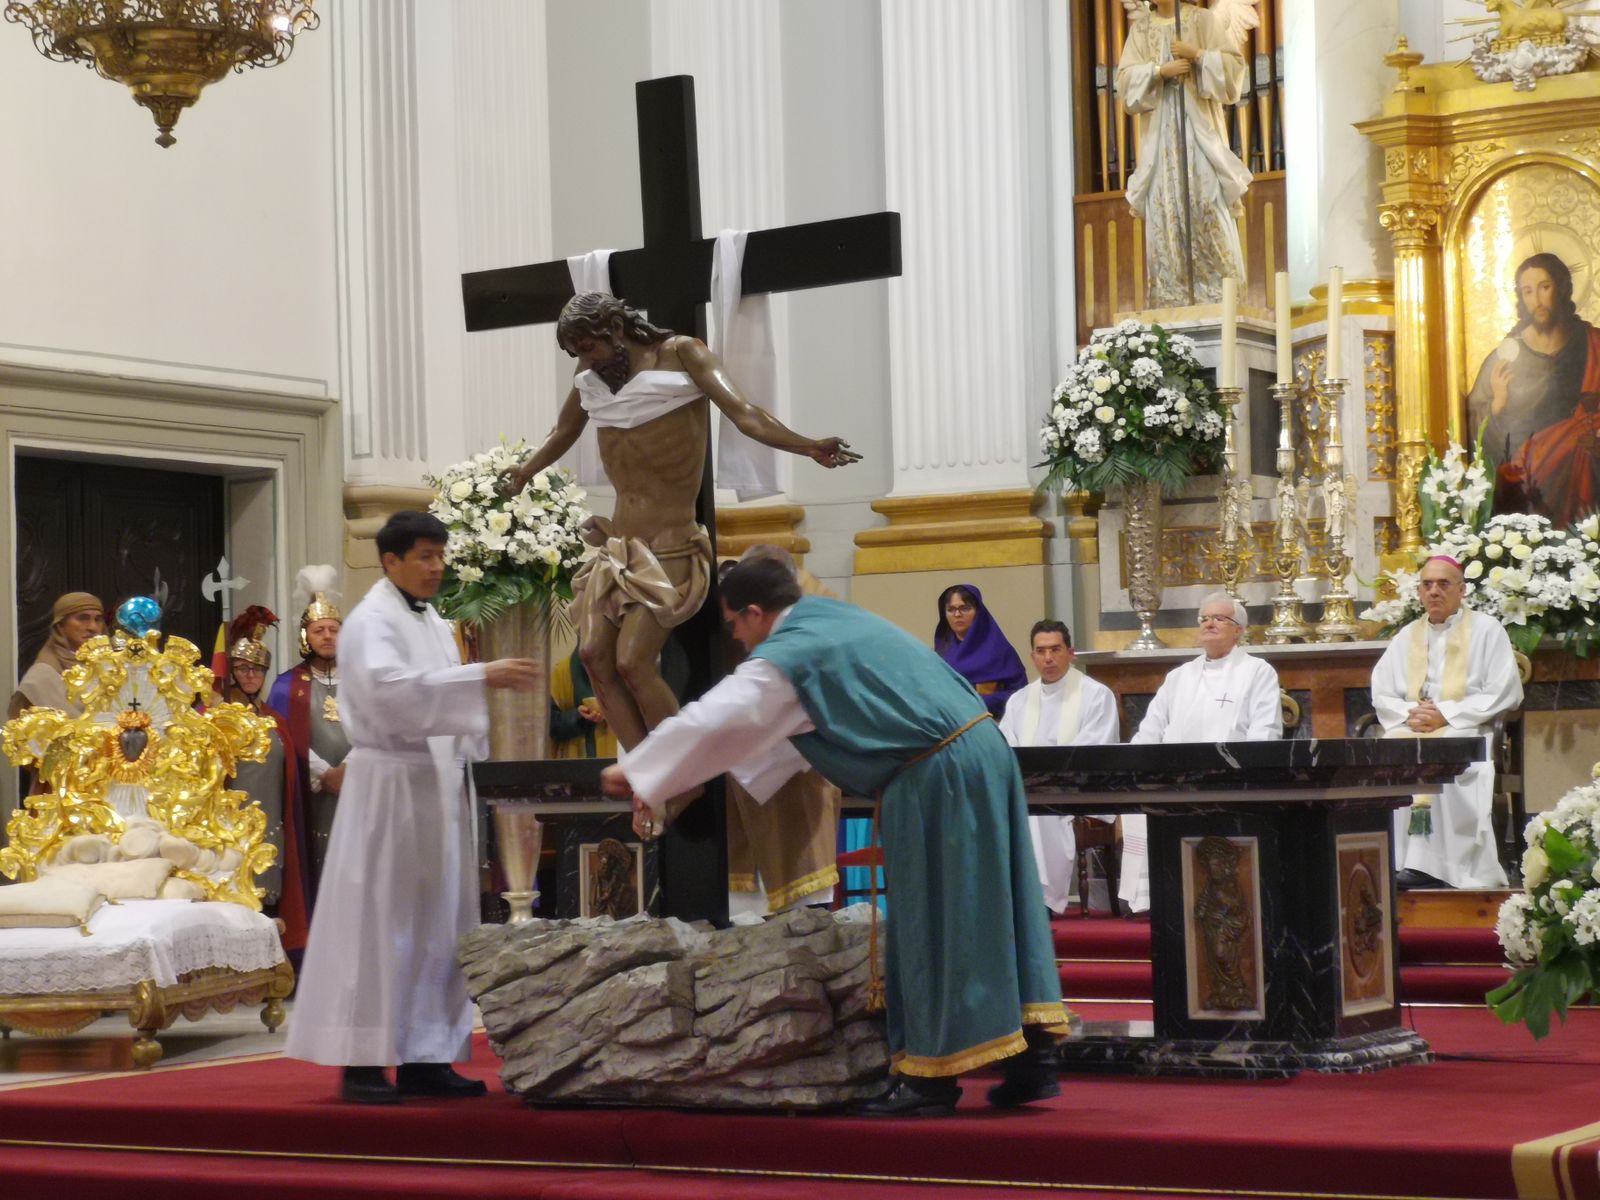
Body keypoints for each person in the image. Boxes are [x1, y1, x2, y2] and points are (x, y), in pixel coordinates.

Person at [600, 557, 1070, 1117]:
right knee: (996, 907)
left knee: (936, 918)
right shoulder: (834, 619)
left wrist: (640, 771)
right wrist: (671, 779)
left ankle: (930, 1079)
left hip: (935, 775)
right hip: (980, 753)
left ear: (754, 612)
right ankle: (1031, 1057)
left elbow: (719, 718)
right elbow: (782, 738)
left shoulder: (788, 654)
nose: (737, 639)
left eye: (734, 625)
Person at [503, 292, 859, 755]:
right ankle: (642, 776)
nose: (584, 360)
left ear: (615, 329)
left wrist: (809, 445)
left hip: (669, 543)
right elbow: (563, 430)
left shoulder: (683, 354)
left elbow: (746, 415)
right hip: (619, 547)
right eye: (577, 353)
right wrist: (526, 471)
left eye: (588, 347)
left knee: (633, 662)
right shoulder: (591, 376)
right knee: (593, 657)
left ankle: (681, 767)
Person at [285, 511, 542, 1105]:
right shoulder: (372, 619)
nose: (436, 567)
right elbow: (392, 692)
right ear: (390, 560)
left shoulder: (429, 617)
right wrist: (482, 675)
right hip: (390, 786)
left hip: (434, 784)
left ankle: (428, 1053)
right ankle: (364, 1060)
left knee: (439, 920)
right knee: (382, 919)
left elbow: (434, 688)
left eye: (440, 555)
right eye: (424, 556)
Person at [1370, 555, 1522, 890]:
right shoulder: (1406, 636)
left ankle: (1438, 867)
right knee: (1388, 755)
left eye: (1443, 584)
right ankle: (1394, 861)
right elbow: (1381, 692)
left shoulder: (1487, 630)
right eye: (1427, 585)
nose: (1434, 592)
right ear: (1419, 592)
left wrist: (1446, 714)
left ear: (1462, 590)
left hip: (1467, 726)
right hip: (1411, 727)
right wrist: (1413, 714)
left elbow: (1505, 690)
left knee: (1446, 755)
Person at [1125, 593, 1282, 913]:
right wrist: (1135, 763)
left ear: (1238, 630)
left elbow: (1265, 732)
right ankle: (1160, 897)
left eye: (1219, 619)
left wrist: (1243, 772)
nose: (1209, 624)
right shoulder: (1179, 676)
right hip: (1175, 777)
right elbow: (1151, 727)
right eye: (1204, 618)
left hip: (1231, 779)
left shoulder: (1257, 671)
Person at [722, 545, 841, 915]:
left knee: (806, 932)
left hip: (799, 788)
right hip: (738, 800)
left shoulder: (814, 630)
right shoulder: (737, 628)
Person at [1116, 0, 1253, 308]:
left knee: (1206, 200)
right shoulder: (1140, 30)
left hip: (1199, 135)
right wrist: (1159, 72)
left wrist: (1199, 56)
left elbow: (1234, 72)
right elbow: (1124, 86)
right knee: (1166, 209)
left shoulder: (1203, 21)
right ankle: (1172, 297)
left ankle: (1222, 296)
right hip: (1160, 142)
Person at [998, 619, 1122, 915]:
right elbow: (1004, 744)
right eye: (1041, 651)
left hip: (1078, 789)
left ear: (1071, 652)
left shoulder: (1095, 694)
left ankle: (1041, 900)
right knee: (1017, 806)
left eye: (1055, 649)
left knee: (1040, 811)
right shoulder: (1020, 700)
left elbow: (1094, 749)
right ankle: (1009, 897)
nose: (1048, 658)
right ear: (1032, 657)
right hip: (1029, 788)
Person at [215, 607, 310, 952]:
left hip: (273, 826)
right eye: (243, 668)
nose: (252, 675)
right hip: (230, 831)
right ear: (231, 672)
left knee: (270, 898)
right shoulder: (213, 718)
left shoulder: (272, 718)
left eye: (258, 669)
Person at [1469, 254, 1600, 496]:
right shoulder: (1505, 358)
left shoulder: (1594, 346)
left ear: (1561, 288)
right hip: (1525, 488)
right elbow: (1470, 425)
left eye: (1544, 287)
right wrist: (1496, 404)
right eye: (1528, 291)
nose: (1537, 300)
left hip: (1587, 484)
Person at [267, 565, 351, 900]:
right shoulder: (286, 686)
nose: (328, 636)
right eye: (319, 630)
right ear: (306, 637)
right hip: (312, 795)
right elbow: (282, 740)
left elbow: (378, 729)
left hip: (356, 791)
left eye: (334, 629)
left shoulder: (363, 681)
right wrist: (324, 773)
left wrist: (350, 769)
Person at [934, 584, 1029, 718]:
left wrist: (978, 702)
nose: (957, 614)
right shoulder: (942, 651)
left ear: (978, 612)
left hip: (990, 723)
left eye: (964, 608)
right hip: (950, 726)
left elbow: (1020, 693)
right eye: (951, 609)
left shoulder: (999, 650)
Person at [8, 592, 105, 720]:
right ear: (60, 625)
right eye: (83, 618)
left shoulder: (112, 668)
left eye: (97, 620)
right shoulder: (42, 676)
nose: (93, 627)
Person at [549, 645, 618, 759]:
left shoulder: (627, 669)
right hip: (575, 761)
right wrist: (578, 717)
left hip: (619, 758)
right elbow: (552, 724)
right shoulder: (562, 671)